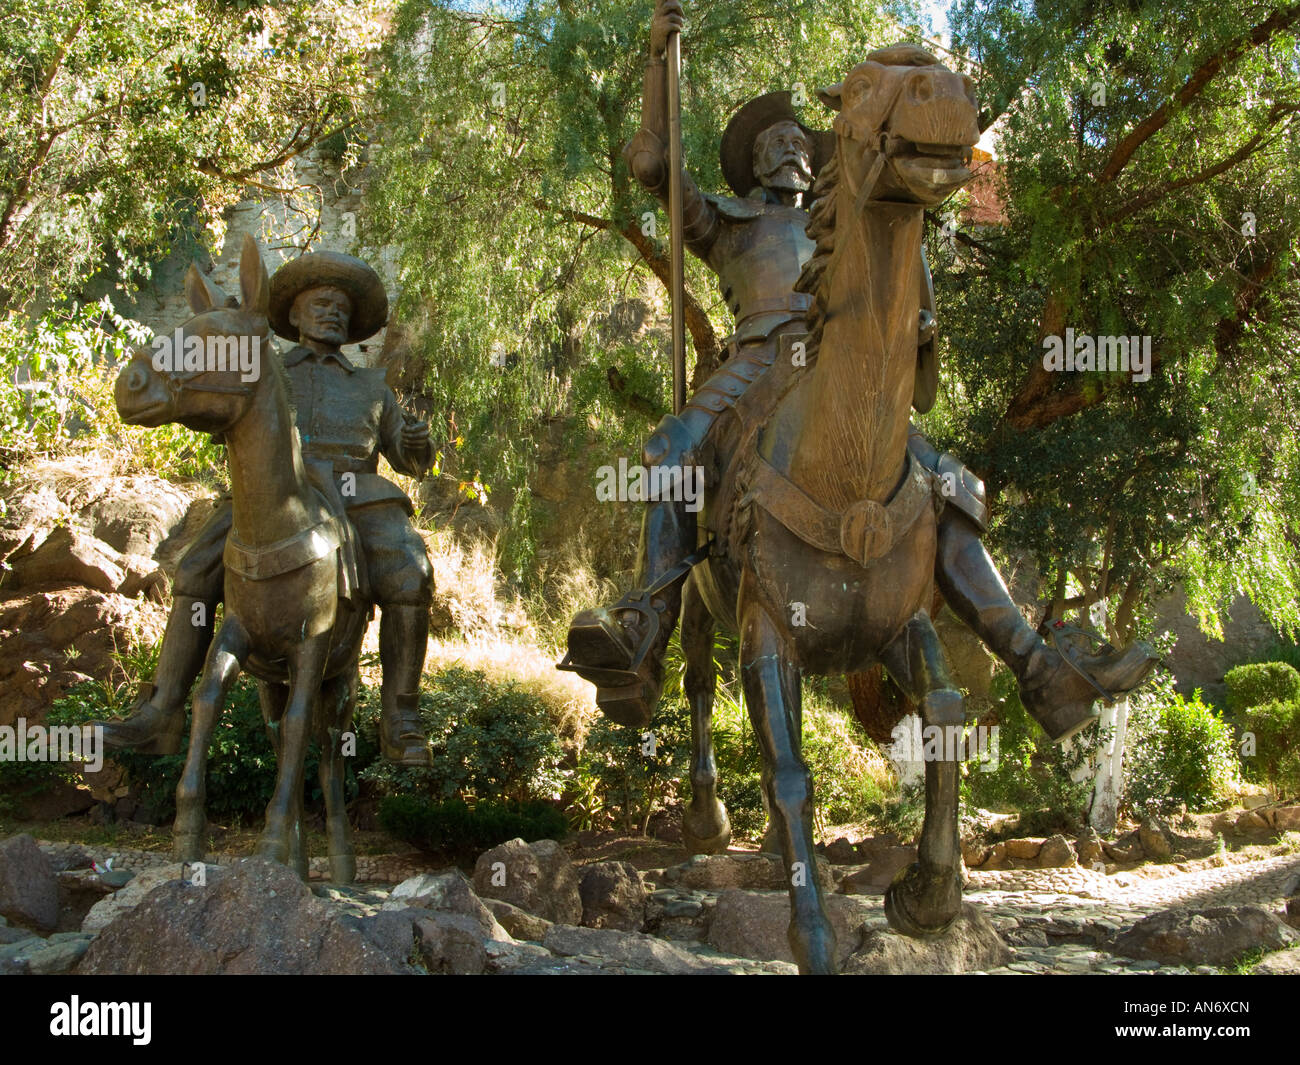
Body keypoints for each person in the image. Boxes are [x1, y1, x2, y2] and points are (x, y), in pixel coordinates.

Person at [561, 0, 1156, 742]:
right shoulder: (729, 219)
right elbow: (653, 165)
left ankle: (1037, 666)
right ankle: (646, 625)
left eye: (800, 142)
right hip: (755, 366)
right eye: (774, 143)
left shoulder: (847, 221)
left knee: (946, 483)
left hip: (844, 371)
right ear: (751, 166)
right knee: (670, 449)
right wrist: (658, 58)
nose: (790, 149)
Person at [92, 251, 436, 765]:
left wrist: (416, 440)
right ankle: (162, 711)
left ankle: (400, 715)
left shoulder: (372, 386)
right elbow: (217, 412)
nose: (333, 313)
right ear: (293, 316)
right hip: (272, 494)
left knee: (411, 572)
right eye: (320, 303)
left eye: (341, 307)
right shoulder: (263, 365)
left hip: (356, 495)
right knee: (194, 569)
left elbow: (411, 462)